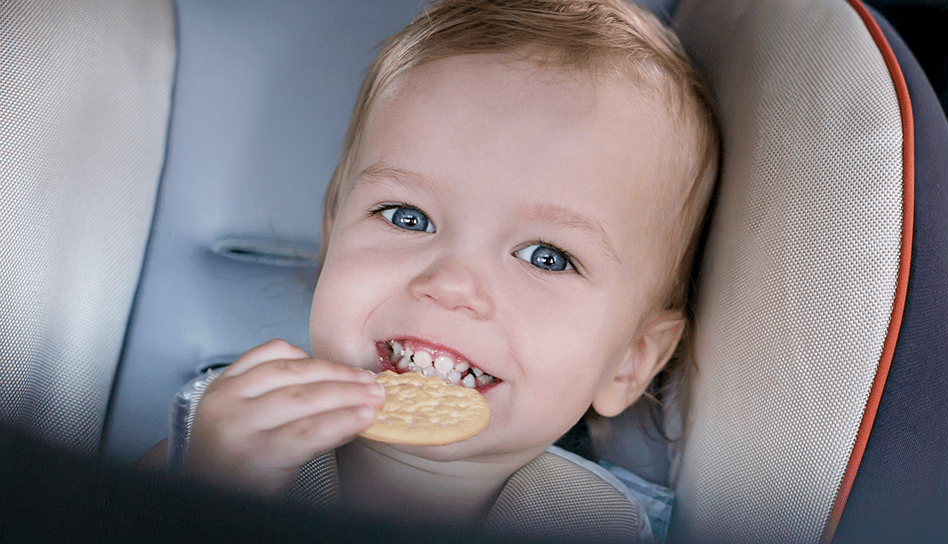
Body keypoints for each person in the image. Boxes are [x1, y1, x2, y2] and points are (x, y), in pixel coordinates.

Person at [144, 0, 718, 541]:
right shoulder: (213, 455)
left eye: (548, 257)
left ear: (630, 360)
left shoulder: (606, 525)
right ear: (332, 235)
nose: (450, 285)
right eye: (407, 217)